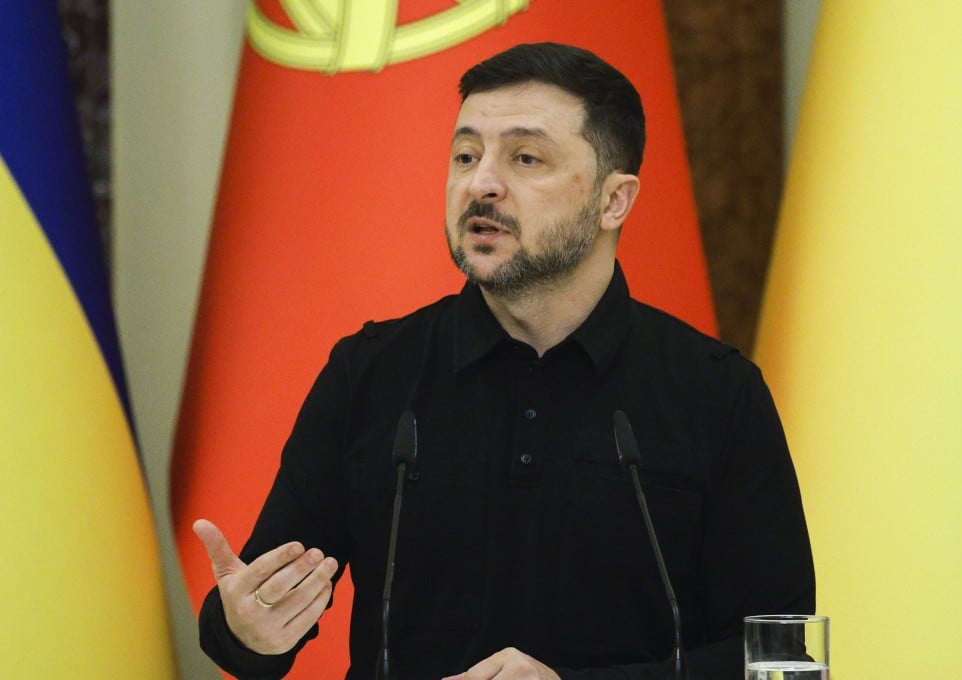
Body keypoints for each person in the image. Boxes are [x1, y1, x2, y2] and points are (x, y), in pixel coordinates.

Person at [194, 42, 814, 679]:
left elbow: (783, 659)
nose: (481, 183)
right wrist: (246, 629)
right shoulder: (371, 374)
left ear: (614, 201)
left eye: (525, 158)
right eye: (466, 155)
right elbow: (257, 618)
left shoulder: (715, 391)